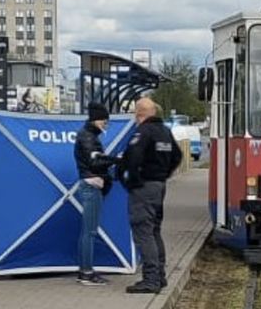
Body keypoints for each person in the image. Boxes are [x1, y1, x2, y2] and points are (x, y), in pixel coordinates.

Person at [118, 97, 182, 294]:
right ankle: (160, 276)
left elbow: (133, 157)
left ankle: (151, 279)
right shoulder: (165, 131)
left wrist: (132, 180)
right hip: (159, 186)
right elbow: (178, 156)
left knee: (143, 231)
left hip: (144, 187)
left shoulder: (143, 131)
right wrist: (164, 174)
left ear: (139, 114)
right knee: (154, 230)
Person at [74, 101, 114, 286]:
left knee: (87, 231)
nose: (106, 125)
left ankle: (85, 270)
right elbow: (95, 162)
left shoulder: (87, 135)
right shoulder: (88, 137)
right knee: (89, 232)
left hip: (91, 185)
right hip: (92, 186)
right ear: (97, 119)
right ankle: (86, 273)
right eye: (105, 121)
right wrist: (115, 160)